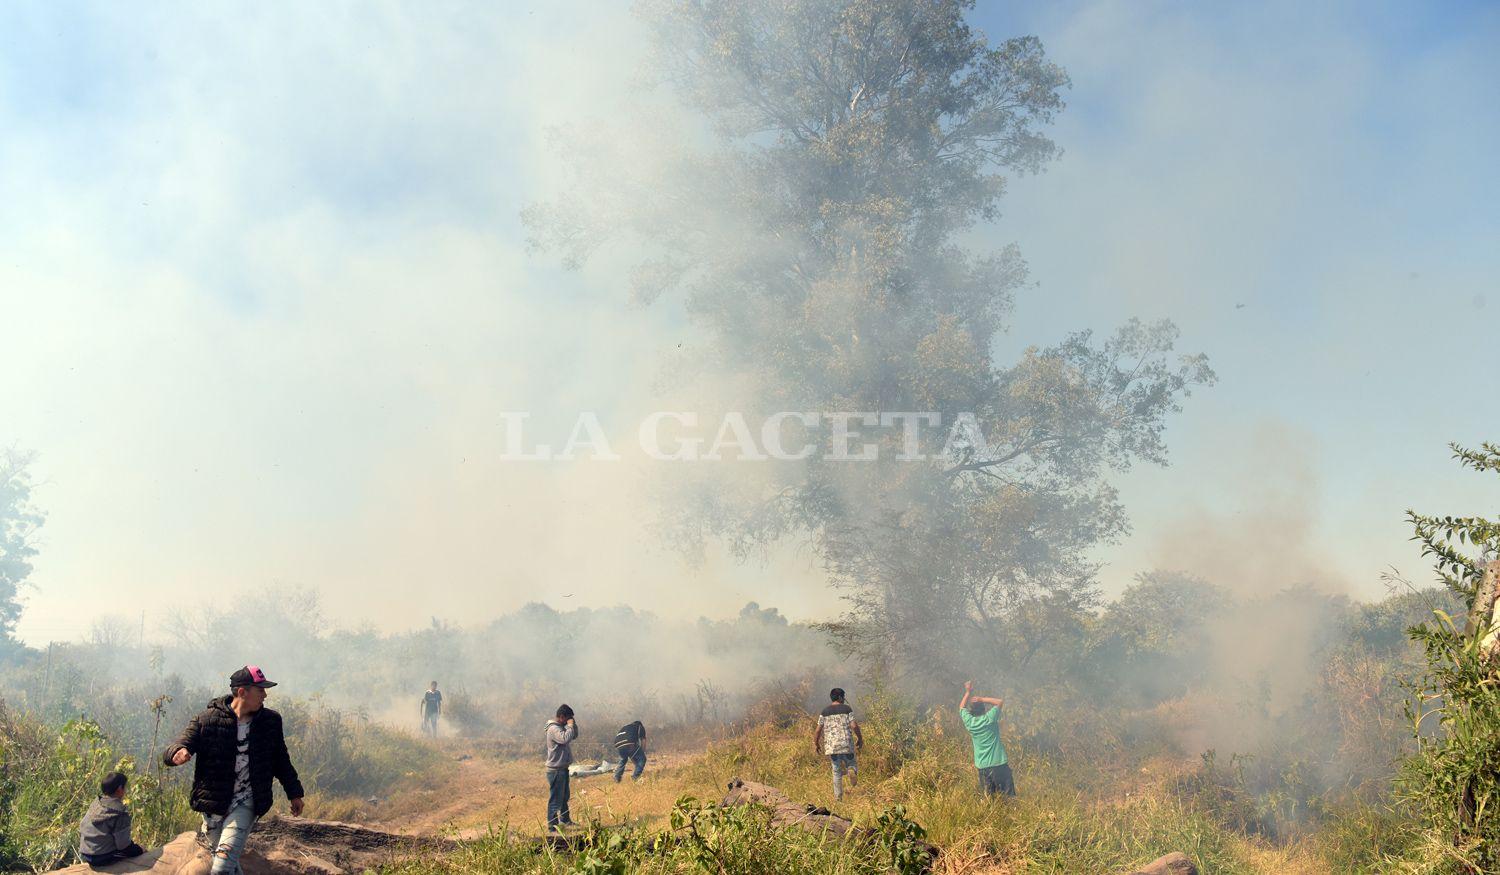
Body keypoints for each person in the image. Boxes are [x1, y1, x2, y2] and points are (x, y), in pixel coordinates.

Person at [164, 665, 305, 874]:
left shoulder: (270, 721)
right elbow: (178, 745)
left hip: (247, 800)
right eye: (260, 690)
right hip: (213, 804)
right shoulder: (207, 719)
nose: (265, 695)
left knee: (221, 866)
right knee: (228, 864)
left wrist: (294, 793)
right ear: (242, 692)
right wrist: (178, 752)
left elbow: (280, 760)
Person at [77, 771, 146, 866]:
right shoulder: (119, 813)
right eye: (125, 787)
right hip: (100, 857)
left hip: (85, 852)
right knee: (138, 852)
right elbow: (123, 846)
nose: (126, 790)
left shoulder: (97, 803)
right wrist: (139, 850)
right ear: (119, 789)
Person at [959, 680, 1014, 797]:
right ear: (983, 709)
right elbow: (999, 702)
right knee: (1008, 798)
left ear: (971, 712)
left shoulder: (970, 723)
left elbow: (961, 708)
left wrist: (968, 692)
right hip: (999, 764)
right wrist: (982, 699)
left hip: (983, 767)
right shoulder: (990, 718)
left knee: (989, 800)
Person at [813, 687, 863, 801]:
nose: (844, 699)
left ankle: (838, 799)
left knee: (836, 771)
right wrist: (860, 738)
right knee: (851, 763)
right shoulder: (847, 709)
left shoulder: (825, 712)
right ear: (840, 697)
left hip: (832, 747)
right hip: (846, 745)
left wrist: (816, 744)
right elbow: (854, 726)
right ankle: (851, 770)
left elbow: (817, 730)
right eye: (843, 697)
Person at [544, 704, 577, 832]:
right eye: (568, 718)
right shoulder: (553, 729)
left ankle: (565, 820)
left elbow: (573, 735)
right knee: (555, 799)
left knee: (564, 797)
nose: (569, 721)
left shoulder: (561, 728)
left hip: (562, 768)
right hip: (556, 770)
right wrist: (569, 726)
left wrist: (572, 725)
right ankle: (552, 826)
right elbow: (564, 739)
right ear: (562, 717)